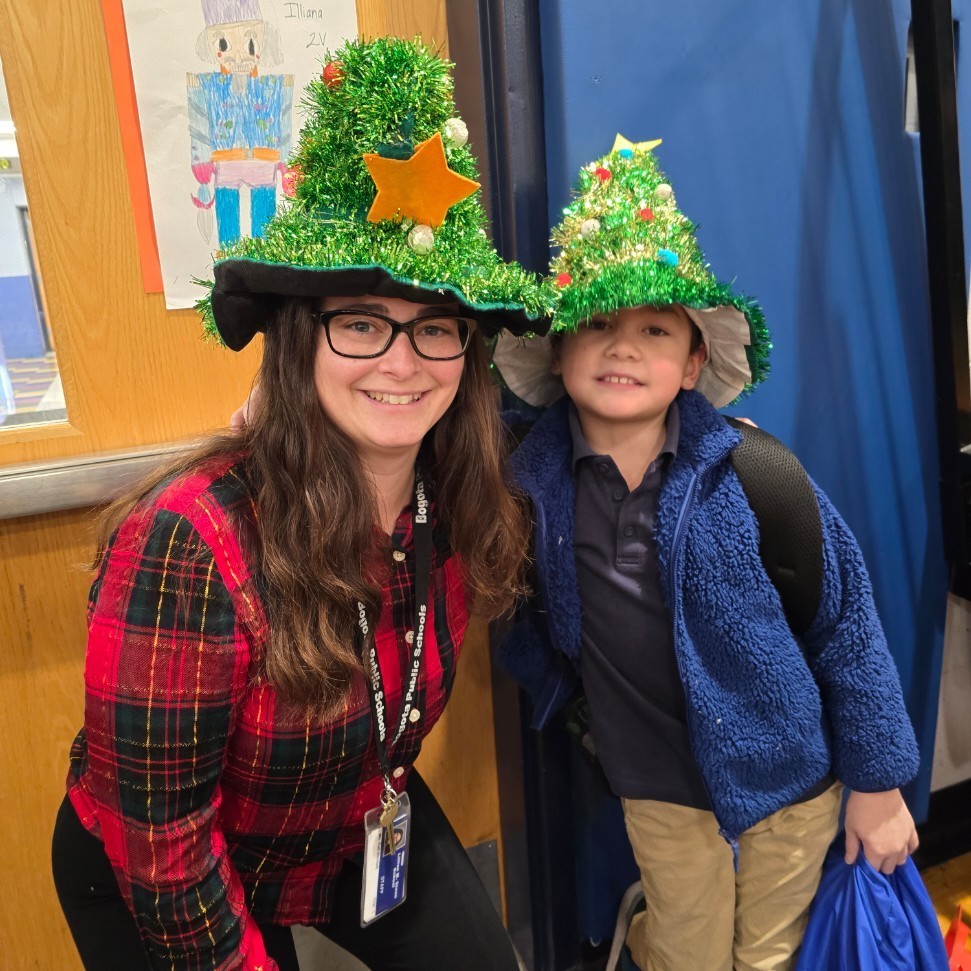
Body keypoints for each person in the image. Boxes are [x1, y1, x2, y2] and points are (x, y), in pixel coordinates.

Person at [52, 38, 551, 971]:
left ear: (466, 359)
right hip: (162, 866)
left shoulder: (455, 493)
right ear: (298, 343)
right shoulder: (190, 541)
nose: (400, 362)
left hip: (355, 821)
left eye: (434, 328)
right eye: (359, 322)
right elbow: (161, 848)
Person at [492, 142, 920, 971]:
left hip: (790, 778)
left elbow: (846, 626)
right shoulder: (525, 479)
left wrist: (877, 779)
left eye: (654, 329)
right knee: (685, 951)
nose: (622, 348)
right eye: (597, 324)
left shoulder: (753, 473)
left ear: (693, 362)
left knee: (766, 956)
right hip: (651, 779)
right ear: (556, 351)